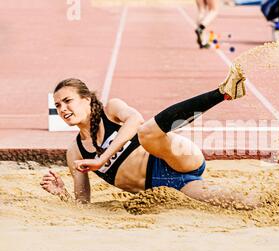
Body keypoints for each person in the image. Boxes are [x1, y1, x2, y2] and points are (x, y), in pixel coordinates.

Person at [40, 64, 256, 209]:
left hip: (173, 156)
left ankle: (224, 92)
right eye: (58, 105)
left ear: (86, 99)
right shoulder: (75, 152)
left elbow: (136, 119)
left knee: (146, 132)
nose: (63, 108)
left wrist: (102, 159)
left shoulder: (111, 110)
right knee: (241, 202)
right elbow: (83, 205)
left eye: (68, 101)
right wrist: (61, 193)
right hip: (165, 186)